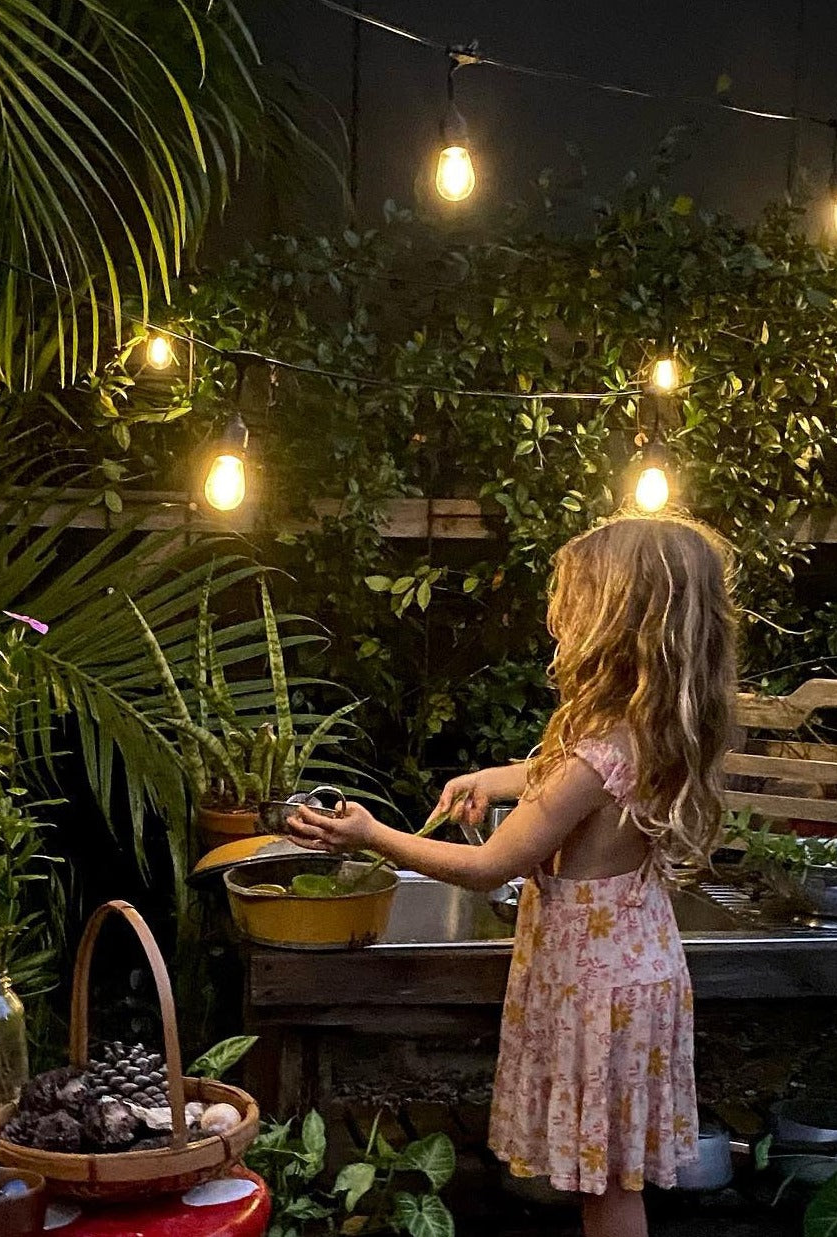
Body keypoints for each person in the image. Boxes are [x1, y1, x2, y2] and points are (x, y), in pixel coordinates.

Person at [288, 515, 737, 1237]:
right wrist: (495, 779)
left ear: (616, 621)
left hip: (598, 990)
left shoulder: (598, 753)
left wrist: (371, 834)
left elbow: (487, 865)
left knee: (609, 1189)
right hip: (623, 976)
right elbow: (567, 777)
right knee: (608, 1181)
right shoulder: (646, 727)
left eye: (576, 606)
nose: (560, 622)